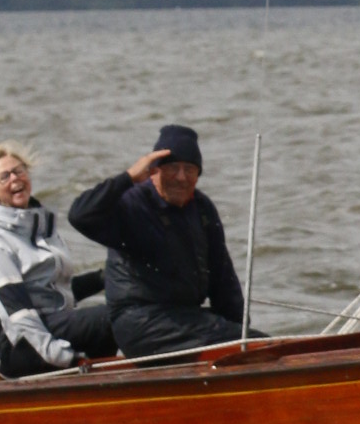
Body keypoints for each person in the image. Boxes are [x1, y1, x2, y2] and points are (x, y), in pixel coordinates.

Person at [68, 125, 248, 358]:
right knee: (238, 342)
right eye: (173, 168)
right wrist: (128, 177)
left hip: (187, 318)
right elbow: (80, 216)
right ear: (153, 170)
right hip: (140, 321)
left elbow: (223, 280)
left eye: (190, 169)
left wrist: (243, 334)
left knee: (255, 341)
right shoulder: (132, 204)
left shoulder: (202, 209)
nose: (181, 177)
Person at [0, 143, 115, 376]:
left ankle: (102, 381)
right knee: (110, 319)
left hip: (44, 324)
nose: (15, 178)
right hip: (11, 345)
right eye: (4, 176)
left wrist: (107, 277)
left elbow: (55, 293)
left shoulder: (40, 229)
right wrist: (65, 358)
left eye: (19, 171)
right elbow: (19, 316)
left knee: (119, 309)